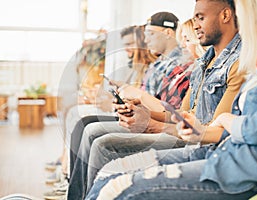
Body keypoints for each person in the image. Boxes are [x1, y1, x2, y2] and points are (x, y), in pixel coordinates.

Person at [86, 0, 257, 199]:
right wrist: (147, 114)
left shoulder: (240, 63)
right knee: (107, 170)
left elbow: (215, 129)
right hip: (212, 148)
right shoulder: (203, 62)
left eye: (200, 18)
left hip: (209, 149)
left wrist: (151, 122)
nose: (195, 25)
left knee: (104, 147)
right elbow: (185, 114)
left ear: (225, 16)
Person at [67, 11, 192, 200]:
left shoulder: (182, 65)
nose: (146, 40)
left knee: (95, 134)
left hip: (171, 129)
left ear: (168, 33)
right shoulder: (160, 64)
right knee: (85, 124)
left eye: (150, 34)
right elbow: (168, 109)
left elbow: (171, 111)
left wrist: (140, 105)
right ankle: (75, 191)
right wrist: (133, 103)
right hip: (155, 118)